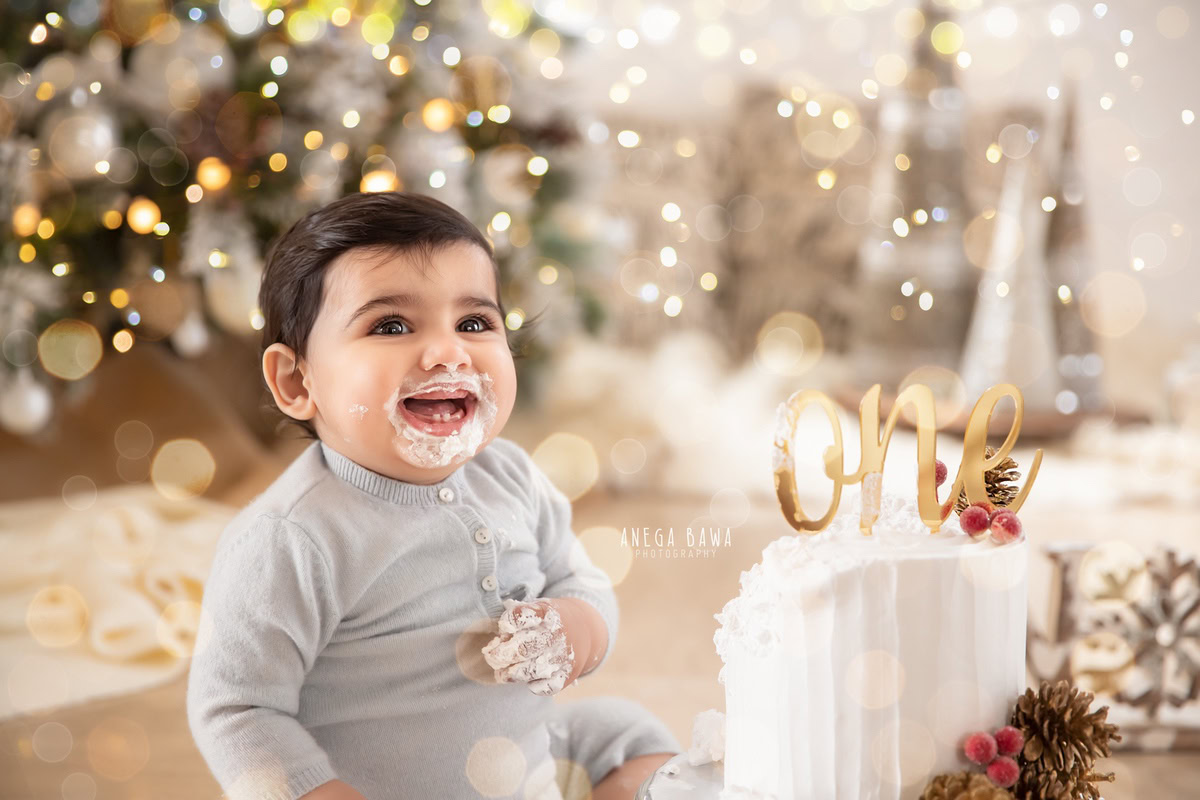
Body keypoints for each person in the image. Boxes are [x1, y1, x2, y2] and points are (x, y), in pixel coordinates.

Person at [186, 191, 681, 800]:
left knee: (630, 735)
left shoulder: (512, 476)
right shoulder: (292, 537)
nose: (449, 351)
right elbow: (235, 709)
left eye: (474, 323)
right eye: (391, 325)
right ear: (297, 381)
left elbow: (581, 579)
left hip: (524, 762)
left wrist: (576, 624)